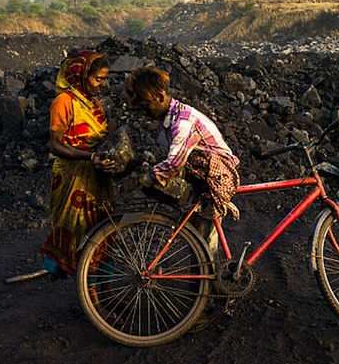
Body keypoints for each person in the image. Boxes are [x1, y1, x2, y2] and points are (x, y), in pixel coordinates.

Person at [125, 66, 240, 254]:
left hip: (217, 174)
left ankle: (207, 278)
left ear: (161, 97)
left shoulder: (183, 123)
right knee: (200, 235)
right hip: (201, 174)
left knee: (204, 235)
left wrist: (142, 179)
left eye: (146, 105)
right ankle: (206, 275)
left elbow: (173, 164)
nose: (144, 111)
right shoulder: (173, 116)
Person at [40, 50, 116, 280]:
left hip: (97, 178)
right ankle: (91, 292)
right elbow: (55, 145)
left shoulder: (93, 104)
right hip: (74, 177)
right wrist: (88, 157)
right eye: (98, 79)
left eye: (105, 79)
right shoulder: (64, 102)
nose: (103, 84)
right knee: (80, 230)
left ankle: (101, 289)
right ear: (81, 75)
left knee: (101, 229)